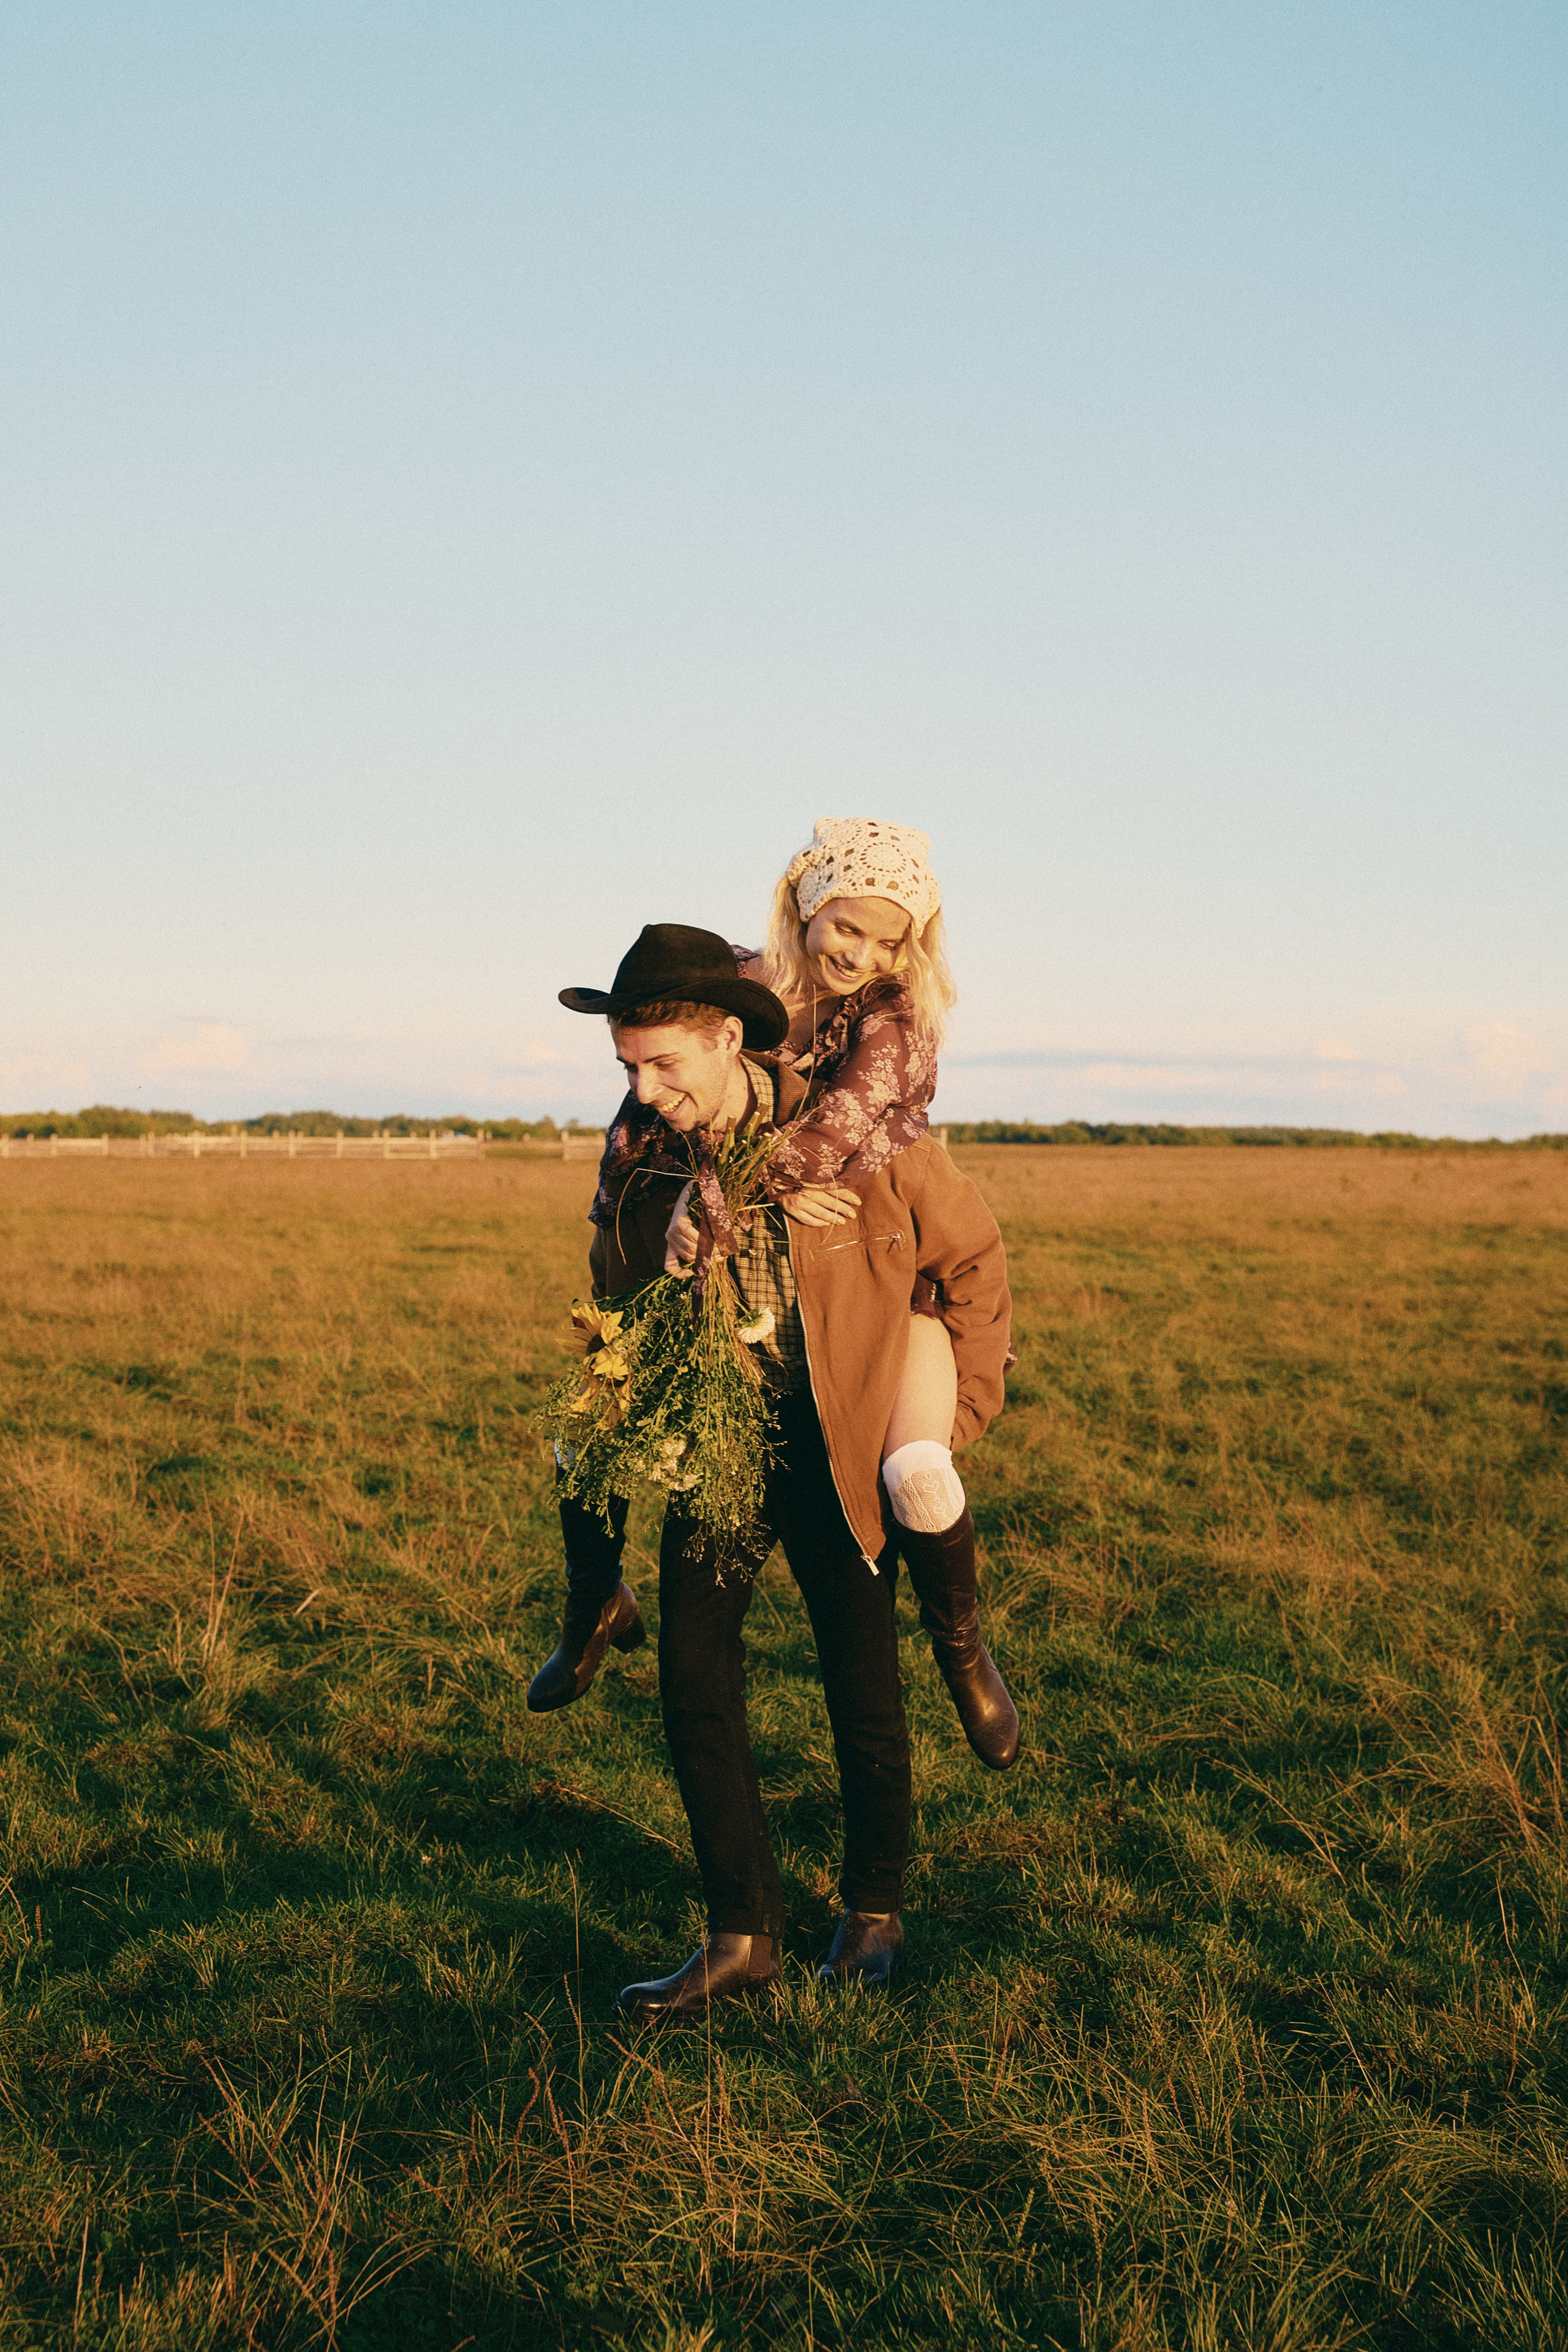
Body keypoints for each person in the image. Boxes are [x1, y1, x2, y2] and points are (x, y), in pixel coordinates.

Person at [534, 923, 1014, 2018]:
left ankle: (874, 1915)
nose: (644, 1092)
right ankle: (740, 1936)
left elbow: (973, 1259)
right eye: (628, 1068)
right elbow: (610, 1283)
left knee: (861, 1676)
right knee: (693, 1674)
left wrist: (954, 1417)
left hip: (839, 1439)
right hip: (724, 1437)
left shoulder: (858, 1134)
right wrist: (667, 1241)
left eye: (664, 1065)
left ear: (727, 1039)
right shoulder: (649, 1156)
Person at [529, 819, 1019, 1771]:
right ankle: (593, 1603)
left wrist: (719, 1196)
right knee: (582, 1429)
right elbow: (648, 1104)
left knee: (917, 1470)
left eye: (888, 941)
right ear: (806, 903)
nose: (862, 954)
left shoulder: (889, 1019)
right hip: (730, 1269)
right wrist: (662, 1206)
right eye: (848, 927)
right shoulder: (742, 987)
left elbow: (829, 1136)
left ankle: (962, 1647)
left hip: (872, 1276)